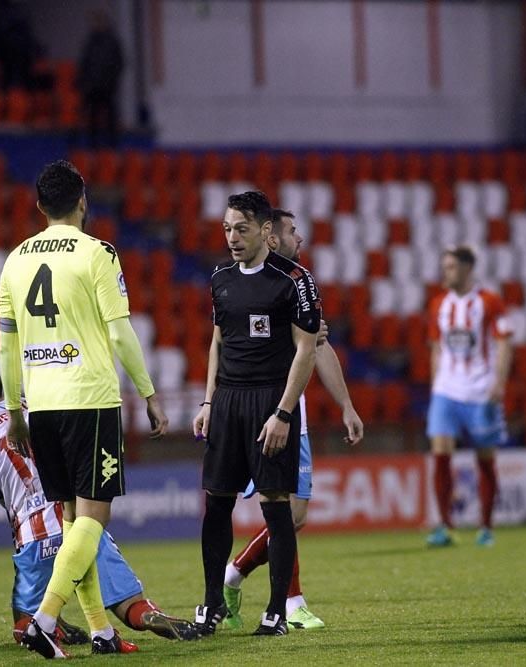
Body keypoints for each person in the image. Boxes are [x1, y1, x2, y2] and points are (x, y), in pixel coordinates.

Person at [0, 159, 168, 658]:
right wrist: (149, 392)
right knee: (94, 516)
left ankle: (100, 631)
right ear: (83, 200)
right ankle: (44, 619)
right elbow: (119, 331)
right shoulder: (99, 253)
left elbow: (6, 347)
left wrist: (13, 411)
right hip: (88, 398)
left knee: (73, 518)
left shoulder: (14, 261)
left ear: (38, 206)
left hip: (41, 403)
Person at [0, 357, 199, 645]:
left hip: (32, 539)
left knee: (24, 622)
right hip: (76, 519)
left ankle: (53, 626)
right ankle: (148, 615)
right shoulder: (39, 408)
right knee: (130, 605)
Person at [221, 209, 363, 631]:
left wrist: (347, 405)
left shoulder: (299, 285)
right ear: (275, 238)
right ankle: (290, 601)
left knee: (292, 514)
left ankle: (236, 576)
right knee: (287, 511)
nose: (300, 237)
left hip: (288, 413)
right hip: (265, 411)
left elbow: (320, 349)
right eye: (293, 231)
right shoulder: (264, 286)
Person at [192, 191, 322, 637]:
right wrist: (209, 401)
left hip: (270, 401)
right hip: (227, 402)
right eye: (227, 228)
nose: (232, 237)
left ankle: (276, 613)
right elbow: (217, 342)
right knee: (216, 505)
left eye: (241, 228)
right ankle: (211, 605)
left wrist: (284, 414)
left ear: (266, 231)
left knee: (277, 506)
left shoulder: (295, 280)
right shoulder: (220, 278)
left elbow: (306, 351)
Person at [424, 246, 510, 548]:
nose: (444, 272)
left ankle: (485, 526)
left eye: (450, 267)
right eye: (443, 266)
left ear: (466, 269)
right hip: (446, 391)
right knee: (440, 454)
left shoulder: (489, 301)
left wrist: (498, 383)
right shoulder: (438, 304)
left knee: (485, 459)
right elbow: (436, 347)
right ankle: (445, 526)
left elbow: (502, 343)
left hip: (480, 391)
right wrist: (437, 384)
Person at [78, 8, 124, 147]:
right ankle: (93, 144)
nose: (96, 24)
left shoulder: (112, 42)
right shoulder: (90, 42)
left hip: (107, 86)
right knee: (93, 116)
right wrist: (86, 81)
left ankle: (112, 144)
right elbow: (84, 63)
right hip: (93, 86)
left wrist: (112, 80)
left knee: (110, 116)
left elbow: (119, 62)